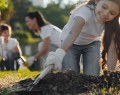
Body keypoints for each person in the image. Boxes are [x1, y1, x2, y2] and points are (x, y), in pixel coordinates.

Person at [44, 0, 120, 76]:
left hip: (92, 43)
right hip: (70, 43)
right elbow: (73, 33)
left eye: (112, 13)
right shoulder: (84, 12)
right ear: (97, 1)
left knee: (92, 76)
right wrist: (59, 55)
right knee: (70, 74)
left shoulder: (112, 23)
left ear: (116, 15)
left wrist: (110, 74)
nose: (106, 13)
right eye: (104, 7)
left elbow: (112, 50)